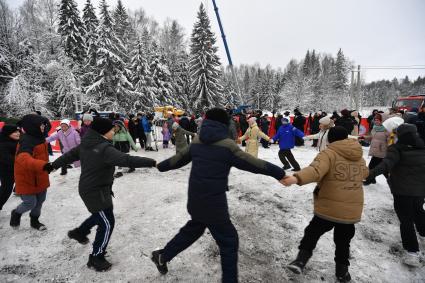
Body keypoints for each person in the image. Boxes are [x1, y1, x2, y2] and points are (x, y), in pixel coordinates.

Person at [151, 108, 286, 283]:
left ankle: (163, 256)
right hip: (214, 203)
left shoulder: (197, 141)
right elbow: (253, 163)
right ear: (224, 124)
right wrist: (279, 173)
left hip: (195, 199)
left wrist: (160, 165)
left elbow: (178, 159)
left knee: (194, 229)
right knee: (229, 241)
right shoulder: (227, 145)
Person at [44, 117, 157, 272]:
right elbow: (125, 159)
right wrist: (151, 162)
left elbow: (70, 155)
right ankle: (96, 257)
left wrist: (53, 165)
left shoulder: (87, 142)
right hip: (94, 190)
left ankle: (80, 232)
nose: (114, 132)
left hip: (96, 188)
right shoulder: (104, 148)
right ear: (103, 132)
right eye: (112, 130)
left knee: (102, 215)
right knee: (107, 222)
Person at [283, 126, 368, 283]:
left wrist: (296, 178)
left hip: (330, 207)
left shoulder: (329, 153)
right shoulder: (359, 156)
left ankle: (301, 260)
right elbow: (365, 173)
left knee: (312, 232)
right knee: (343, 242)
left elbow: (315, 170)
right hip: (351, 210)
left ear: (330, 139)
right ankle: (342, 272)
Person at [365, 124, 425, 267]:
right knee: (419, 211)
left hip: (402, 191)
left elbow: (385, 165)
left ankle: (412, 251)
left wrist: (369, 174)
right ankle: (423, 232)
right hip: (420, 190)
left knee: (406, 220)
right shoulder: (423, 147)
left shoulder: (397, 149)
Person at [10, 114, 51, 231]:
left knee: (40, 201)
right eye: (41, 125)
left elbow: (48, 125)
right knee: (30, 203)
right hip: (27, 178)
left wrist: (43, 120)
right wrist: (43, 165)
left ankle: (35, 222)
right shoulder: (26, 141)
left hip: (40, 174)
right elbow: (23, 159)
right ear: (33, 127)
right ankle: (16, 213)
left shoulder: (39, 136)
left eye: (44, 125)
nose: (44, 127)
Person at [362, 114, 388, 185]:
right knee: (383, 169)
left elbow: (390, 140)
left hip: (382, 151)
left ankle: (369, 179)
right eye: (375, 120)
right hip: (376, 150)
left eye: (378, 120)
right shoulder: (375, 128)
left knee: (372, 166)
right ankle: (372, 179)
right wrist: (364, 137)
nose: (376, 121)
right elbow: (372, 137)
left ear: (383, 121)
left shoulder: (387, 129)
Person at [0, 125, 20, 211]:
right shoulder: (3, 144)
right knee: (6, 190)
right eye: (15, 132)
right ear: (8, 133)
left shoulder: (15, 141)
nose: (18, 133)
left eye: (18, 131)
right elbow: (8, 159)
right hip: (6, 171)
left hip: (14, 170)